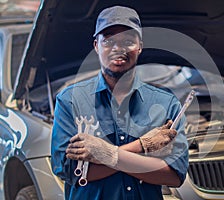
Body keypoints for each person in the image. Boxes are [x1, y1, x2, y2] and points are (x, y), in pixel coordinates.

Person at [51, 5, 189, 200]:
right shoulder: (70, 100)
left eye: (128, 40)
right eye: (108, 40)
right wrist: (142, 147)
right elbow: (70, 171)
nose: (118, 48)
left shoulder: (167, 103)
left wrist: (102, 155)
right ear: (96, 46)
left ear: (139, 46)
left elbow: (175, 175)